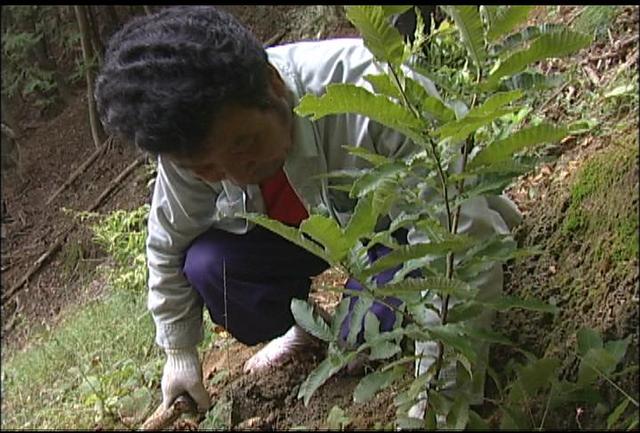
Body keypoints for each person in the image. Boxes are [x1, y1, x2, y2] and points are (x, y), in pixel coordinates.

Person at [94, 6, 521, 416]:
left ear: (272, 83)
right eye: (207, 168)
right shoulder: (190, 149)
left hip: (396, 235)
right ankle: (304, 324)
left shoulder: (370, 90)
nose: (233, 176)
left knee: (366, 340)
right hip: (308, 238)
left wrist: (441, 398)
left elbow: (456, 238)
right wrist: (179, 353)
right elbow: (168, 244)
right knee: (209, 266)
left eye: (243, 146)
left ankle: (368, 308)